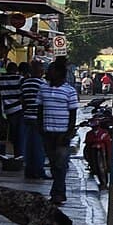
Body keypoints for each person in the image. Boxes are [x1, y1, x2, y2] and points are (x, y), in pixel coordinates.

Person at [36, 59, 80, 204]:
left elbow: (73, 114)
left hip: (62, 134)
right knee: (54, 164)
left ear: (59, 73)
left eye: (51, 70)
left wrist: (68, 133)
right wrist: (40, 128)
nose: (47, 72)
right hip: (47, 133)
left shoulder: (70, 91)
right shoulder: (43, 89)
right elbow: (40, 110)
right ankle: (58, 192)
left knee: (61, 164)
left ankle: (58, 193)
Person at [21, 62, 48, 180]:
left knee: (28, 145)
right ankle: (39, 170)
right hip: (38, 118)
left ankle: (29, 169)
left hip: (27, 117)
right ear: (40, 72)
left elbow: (23, 101)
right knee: (39, 146)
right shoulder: (42, 84)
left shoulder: (25, 83)